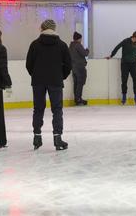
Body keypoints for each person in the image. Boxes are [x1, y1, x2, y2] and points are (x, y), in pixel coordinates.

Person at [26, 19, 72, 151]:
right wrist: (60, 76)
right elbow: (68, 65)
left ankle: (37, 138)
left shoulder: (35, 44)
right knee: (57, 110)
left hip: (38, 82)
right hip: (55, 81)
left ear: (42, 28)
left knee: (38, 109)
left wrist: (35, 75)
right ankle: (57, 139)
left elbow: (29, 64)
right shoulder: (62, 45)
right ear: (54, 29)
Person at [106, 31, 136, 105]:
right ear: (135, 37)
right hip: (125, 64)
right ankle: (124, 97)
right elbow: (117, 47)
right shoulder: (126, 41)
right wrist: (111, 55)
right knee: (124, 80)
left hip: (133, 63)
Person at [69, 31, 89, 106]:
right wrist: (87, 50)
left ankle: (77, 98)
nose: (81, 40)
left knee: (76, 83)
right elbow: (85, 53)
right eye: (81, 38)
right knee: (80, 83)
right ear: (78, 39)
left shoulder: (71, 46)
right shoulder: (78, 45)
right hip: (79, 67)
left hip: (73, 67)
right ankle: (78, 99)